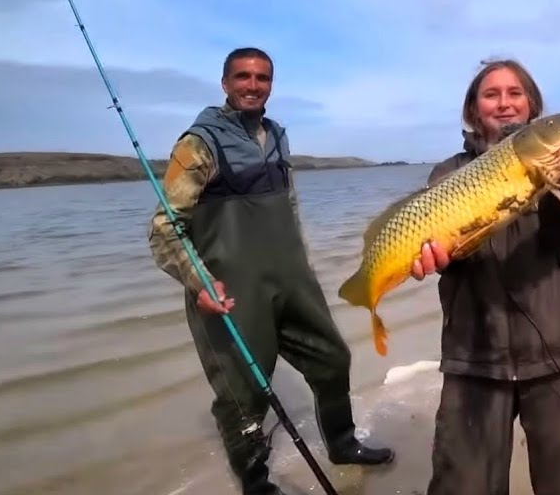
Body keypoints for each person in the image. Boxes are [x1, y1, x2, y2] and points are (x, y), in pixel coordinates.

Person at [147, 47, 394, 495]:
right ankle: (255, 482)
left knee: (333, 358)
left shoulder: (277, 135)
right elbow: (164, 228)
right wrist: (198, 281)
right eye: (243, 76)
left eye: (262, 78)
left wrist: (304, 267)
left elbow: (290, 207)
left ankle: (342, 443)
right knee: (245, 396)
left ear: (271, 85)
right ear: (225, 83)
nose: (253, 85)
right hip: (229, 289)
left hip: (291, 280)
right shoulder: (199, 143)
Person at [411, 58, 560, 495]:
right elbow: (448, 252)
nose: (504, 104)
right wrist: (434, 257)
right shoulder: (448, 173)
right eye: (491, 94)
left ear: (531, 105)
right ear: (473, 109)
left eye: (514, 93)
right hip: (475, 358)